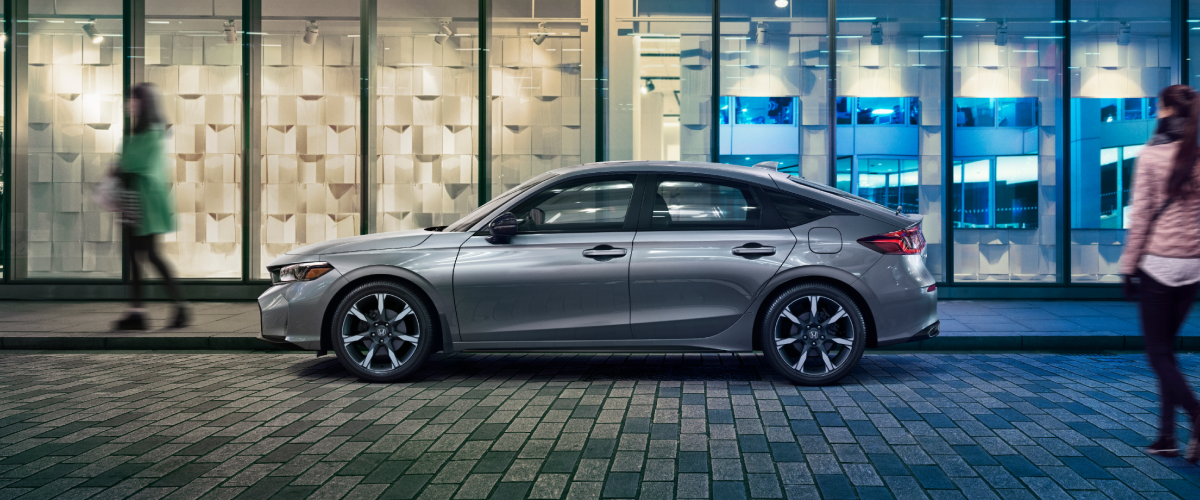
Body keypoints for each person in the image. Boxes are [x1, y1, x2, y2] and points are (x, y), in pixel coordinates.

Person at [1122, 84, 1200, 462]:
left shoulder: (1151, 157)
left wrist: (1127, 268)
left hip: (1158, 265)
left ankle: (1198, 416)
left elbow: (1140, 220)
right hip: (1193, 268)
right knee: (1168, 353)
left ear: (1167, 110)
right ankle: (1167, 437)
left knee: (1158, 355)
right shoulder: (1197, 155)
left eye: (1158, 106)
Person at [113, 83, 188, 330]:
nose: (129, 104)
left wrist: (119, 166)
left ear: (144, 103)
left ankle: (172, 308)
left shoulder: (151, 133)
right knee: (140, 256)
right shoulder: (148, 131)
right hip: (139, 200)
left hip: (143, 202)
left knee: (148, 255)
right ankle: (142, 311)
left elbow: (128, 162)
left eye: (133, 99)